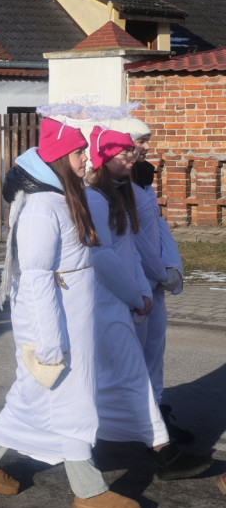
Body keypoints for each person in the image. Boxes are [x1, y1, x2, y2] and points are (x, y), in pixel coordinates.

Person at [0, 117, 141, 508]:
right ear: (59, 158)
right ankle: (88, 491)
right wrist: (50, 341)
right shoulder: (41, 209)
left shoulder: (63, 198)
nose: (85, 159)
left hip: (73, 322)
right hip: (54, 326)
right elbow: (38, 278)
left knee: (36, 399)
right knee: (69, 402)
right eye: (78, 153)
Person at [84, 123, 210, 480]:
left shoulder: (125, 190)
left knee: (133, 371)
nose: (136, 154)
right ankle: (154, 450)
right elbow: (104, 256)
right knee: (127, 374)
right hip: (113, 300)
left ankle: (151, 441)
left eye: (136, 147)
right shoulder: (96, 198)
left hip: (134, 294)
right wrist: (137, 292)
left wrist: (154, 278)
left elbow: (139, 242)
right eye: (129, 148)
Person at [107, 113, 192, 444]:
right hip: (136, 285)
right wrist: (159, 272)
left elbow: (158, 224)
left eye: (146, 142)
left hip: (155, 284)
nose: (145, 148)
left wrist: (172, 266)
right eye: (140, 142)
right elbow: (135, 238)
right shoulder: (118, 186)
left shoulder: (142, 179)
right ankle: (139, 426)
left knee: (155, 353)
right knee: (136, 358)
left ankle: (155, 415)